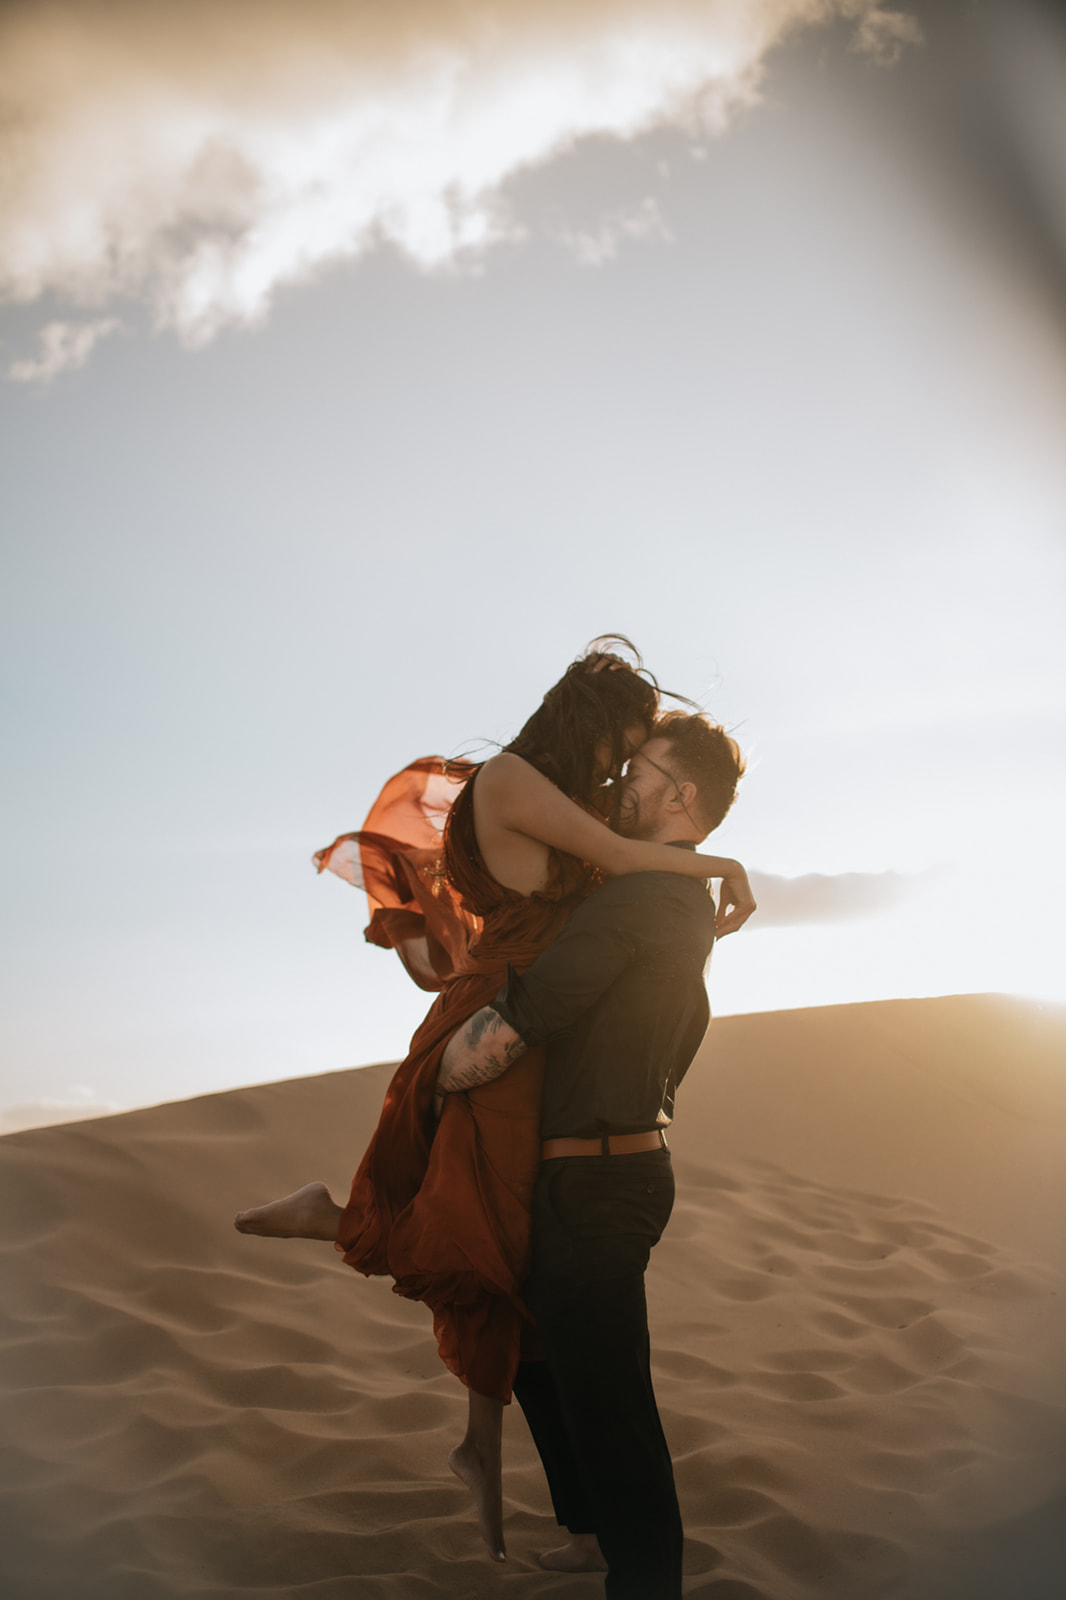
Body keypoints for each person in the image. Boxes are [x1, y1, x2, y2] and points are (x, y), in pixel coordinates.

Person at [234, 644, 756, 1562]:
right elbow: (617, 856)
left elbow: (617, 879)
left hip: (537, 1042)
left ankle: (506, 1461)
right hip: (506, 1022)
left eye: (639, 764)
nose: (619, 773)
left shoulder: (565, 808)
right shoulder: (523, 784)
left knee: (495, 1242)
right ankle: (345, 1229)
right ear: (595, 723)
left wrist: (705, 863)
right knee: (480, 1230)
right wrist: (723, 864)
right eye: (623, 751)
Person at [436, 711, 745, 1598]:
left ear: (682, 794)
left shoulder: (641, 899)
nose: (620, 785)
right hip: (596, 1168)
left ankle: (642, 1576)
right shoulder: (671, 894)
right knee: (539, 1354)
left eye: (639, 769)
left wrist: (442, 1075)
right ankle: (597, 1528)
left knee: (612, 1406)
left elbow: (536, 1011)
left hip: (601, 1177)